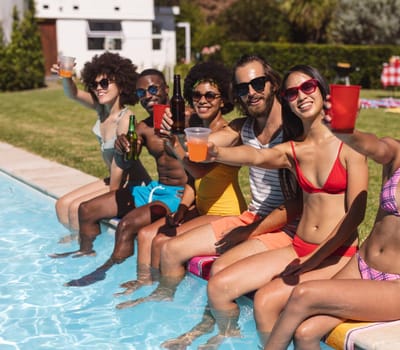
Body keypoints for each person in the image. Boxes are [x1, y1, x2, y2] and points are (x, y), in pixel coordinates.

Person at [262, 79, 400, 350]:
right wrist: (344, 129)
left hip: (398, 287)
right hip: (359, 266)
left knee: (303, 293)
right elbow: (371, 145)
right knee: (306, 332)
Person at [177, 65, 367, 349]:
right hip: (298, 246)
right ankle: (228, 336)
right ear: (286, 100)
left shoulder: (349, 145)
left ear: (323, 90)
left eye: (308, 87)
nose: (300, 96)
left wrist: (314, 258)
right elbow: (255, 156)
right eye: (292, 92)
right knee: (218, 286)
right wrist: (217, 152)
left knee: (265, 301)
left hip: (337, 253)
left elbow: (356, 215)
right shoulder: (295, 150)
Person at [115, 55, 298, 316]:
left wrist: (249, 231)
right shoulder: (241, 128)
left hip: (271, 222)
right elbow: (202, 155)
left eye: (258, 83)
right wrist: (174, 137)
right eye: (243, 88)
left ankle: (202, 322)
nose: (251, 92)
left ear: (273, 84)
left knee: (216, 272)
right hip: (251, 216)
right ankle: (167, 309)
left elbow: (298, 203)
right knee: (169, 249)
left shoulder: (292, 131)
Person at [114, 61, 247, 297]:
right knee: (148, 235)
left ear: (224, 100)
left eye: (210, 95)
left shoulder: (226, 133)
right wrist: (183, 208)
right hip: (202, 208)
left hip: (226, 212)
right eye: (196, 95)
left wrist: (173, 143)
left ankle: (163, 294)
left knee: (163, 243)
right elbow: (193, 183)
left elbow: (199, 171)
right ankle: (148, 285)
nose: (202, 100)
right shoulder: (198, 129)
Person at [50, 69, 191, 287]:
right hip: (155, 189)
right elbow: (129, 156)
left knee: (127, 224)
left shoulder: (188, 118)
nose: (148, 96)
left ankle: (104, 270)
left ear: (166, 89)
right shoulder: (143, 127)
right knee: (86, 209)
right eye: (141, 92)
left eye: (153, 89)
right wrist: (122, 147)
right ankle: (86, 252)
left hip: (180, 194)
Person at [50, 52, 150, 239]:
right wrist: (66, 76)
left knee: (77, 208)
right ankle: (76, 243)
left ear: (121, 85)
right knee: (62, 204)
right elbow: (72, 93)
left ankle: (87, 248)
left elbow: (119, 165)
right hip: (113, 178)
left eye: (104, 83)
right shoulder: (102, 109)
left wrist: (110, 199)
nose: (99, 89)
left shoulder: (124, 119)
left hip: (130, 183)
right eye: (95, 85)